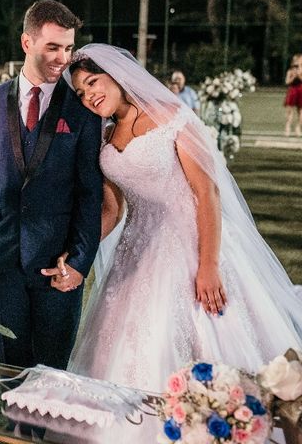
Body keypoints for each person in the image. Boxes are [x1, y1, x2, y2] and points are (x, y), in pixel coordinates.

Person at [59, 43, 302, 442]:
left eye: (93, 82)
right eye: (81, 93)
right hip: (135, 254)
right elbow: (111, 212)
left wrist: (208, 266)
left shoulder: (173, 117)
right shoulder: (102, 138)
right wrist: (77, 255)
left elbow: (207, 194)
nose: (90, 95)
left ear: (117, 74)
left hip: (194, 245)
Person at [0, 0, 103, 370]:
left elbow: (91, 194)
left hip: (57, 265)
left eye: (69, 48)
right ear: (27, 43)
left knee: (53, 373)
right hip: (0, 260)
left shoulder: (83, 111)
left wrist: (80, 262)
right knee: (11, 368)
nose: (63, 58)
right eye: (53, 47)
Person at [284, 54, 302, 137]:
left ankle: (298, 128)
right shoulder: (290, 71)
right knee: (289, 111)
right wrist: (293, 76)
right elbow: (287, 82)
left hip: (301, 90)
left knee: (300, 111)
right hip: (292, 90)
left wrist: (299, 75)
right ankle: (287, 127)